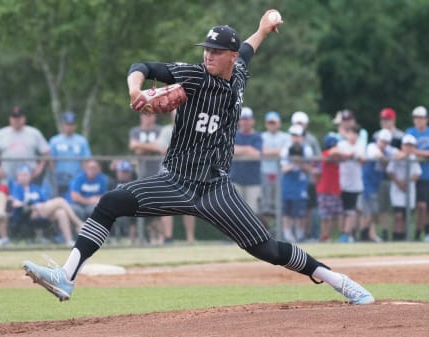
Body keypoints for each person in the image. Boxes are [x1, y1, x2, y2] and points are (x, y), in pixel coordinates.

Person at [23, 11, 374, 305]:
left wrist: (265, 26)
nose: (209, 55)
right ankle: (66, 275)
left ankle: (336, 279)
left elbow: (250, 47)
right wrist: (135, 89)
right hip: (175, 181)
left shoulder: (238, 74)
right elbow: (141, 64)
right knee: (111, 201)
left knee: (267, 248)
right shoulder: (192, 76)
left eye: (217, 51)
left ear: (231, 57)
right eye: (207, 49)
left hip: (216, 189)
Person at [0, 106, 50, 246]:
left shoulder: (33, 133)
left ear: (24, 119)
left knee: (36, 203)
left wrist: (39, 168)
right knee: (0, 198)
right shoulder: (2, 133)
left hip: (29, 181)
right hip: (8, 180)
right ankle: (3, 236)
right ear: (10, 119)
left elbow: (46, 151)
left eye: (19, 117)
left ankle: (38, 236)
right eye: (14, 117)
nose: (16, 120)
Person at [10, 166, 83, 246]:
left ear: (30, 176)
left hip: (42, 211)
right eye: (21, 175)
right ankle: (79, 224)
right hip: (28, 214)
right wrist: (32, 206)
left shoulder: (35, 188)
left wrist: (40, 205)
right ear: (17, 177)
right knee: (60, 201)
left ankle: (68, 240)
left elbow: (45, 201)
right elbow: (15, 203)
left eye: (25, 175)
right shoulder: (16, 188)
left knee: (61, 212)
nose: (23, 177)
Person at [155, 110, 196, 244]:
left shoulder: (192, 130)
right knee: (167, 205)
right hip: (168, 171)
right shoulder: (167, 130)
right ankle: (168, 237)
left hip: (187, 172)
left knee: (189, 206)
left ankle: (190, 238)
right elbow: (162, 148)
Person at [129, 113, 165, 244]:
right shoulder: (135, 131)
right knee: (142, 206)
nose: (148, 118)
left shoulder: (160, 130)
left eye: (151, 115)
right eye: (145, 115)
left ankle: (161, 237)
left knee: (161, 207)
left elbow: (161, 147)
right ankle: (143, 237)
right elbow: (133, 146)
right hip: (141, 175)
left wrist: (142, 146)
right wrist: (153, 146)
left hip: (159, 173)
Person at [359, 129, 398, 242]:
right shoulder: (372, 146)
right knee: (371, 211)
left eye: (386, 142)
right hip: (367, 184)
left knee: (372, 212)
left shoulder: (387, 150)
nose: (384, 144)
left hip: (376, 185)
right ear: (378, 140)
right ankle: (364, 234)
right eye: (382, 141)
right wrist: (387, 157)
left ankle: (366, 234)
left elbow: (399, 154)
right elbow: (378, 155)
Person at [372, 108, 405, 240]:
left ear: (393, 120)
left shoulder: (400, 136)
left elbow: (403, 154)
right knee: (383, 207)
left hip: (397, 178)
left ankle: (399, 235)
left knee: (398, 209)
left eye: (388, 119)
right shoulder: (376, 135)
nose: (385, 122)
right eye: (383, 119)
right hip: (381, 177)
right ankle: (385, 232)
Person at [291, 111, 321, 240]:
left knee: (308, 208)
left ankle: (307, 233)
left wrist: (308, 164)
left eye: (301, 123)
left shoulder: (311, 139)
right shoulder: (290, 138)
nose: (299, 125)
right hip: (292, 179)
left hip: (307, 179)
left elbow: (318, 158)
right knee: (291, 207)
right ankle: (292, 234)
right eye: (297, 123)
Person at [280, 124, 313, 242]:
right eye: (293, 135)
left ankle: (300, 234)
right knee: (287, 212)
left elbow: (310, 168)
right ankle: (288, 234)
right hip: (288, 184)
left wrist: (300, 163)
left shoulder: (307, 150)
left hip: (300, 184)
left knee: (300, 212)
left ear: (302, 137)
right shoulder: (285, 150)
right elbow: (283, 168)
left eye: (297, 136)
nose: (295, 138)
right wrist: (294, 164)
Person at [386, 134, 422, 241]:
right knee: (398, 215)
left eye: (411, 146)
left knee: (407, 216)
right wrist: (399, 183)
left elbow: (417, 173)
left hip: (409, 190)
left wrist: (407, 182)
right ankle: (396, 236)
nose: (409, 148)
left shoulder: (413, 158)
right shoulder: (396, 156)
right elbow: (390, 171)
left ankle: (404, 237)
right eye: (407, 145)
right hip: (397, 190)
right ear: (402, 146)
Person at [49, 111, 92, 197]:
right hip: (59, 179)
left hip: (76, 178)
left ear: (75, 126)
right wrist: (53, 174)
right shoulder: (54, 140)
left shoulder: (82, 141)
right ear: (63, 125)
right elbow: (51, 160)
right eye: (67, 124)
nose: (69, 127)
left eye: (71, 124)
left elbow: (85, 161)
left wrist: (84, 177)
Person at [231, 106, 263, 213]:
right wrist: (248, 148)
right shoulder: (233, 134)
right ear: (239, 120)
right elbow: (231, 150)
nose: (246, 122)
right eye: (243, 119)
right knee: (235, 211)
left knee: (252, 212)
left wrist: (240, 150)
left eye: (248, 119)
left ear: (252, 121)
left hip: (253, 181)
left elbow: (257, 154)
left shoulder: (257, 136)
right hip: (235, 180)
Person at [337, 124, 365, 243]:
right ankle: (343, 233)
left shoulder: (361, 145)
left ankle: (347, 234)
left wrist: (354, 156)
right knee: (342, 211)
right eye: (350, 133)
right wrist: (348, 155)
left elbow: (362, 159)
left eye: (355, 133)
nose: (352, 136)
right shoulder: (342, 145)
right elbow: (337, 154)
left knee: (351, 211)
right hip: (342, 183)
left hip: (355, 184)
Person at [405, 106, 429, 241]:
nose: (418, 120)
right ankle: (416, 233)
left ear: (426, 119)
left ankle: (425, 233)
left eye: (421, 118)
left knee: (426, 207)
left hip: (427, 174)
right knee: (420, 206)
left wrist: (416, 152)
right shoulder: (410, 132)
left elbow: (412, 150)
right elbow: (407, 149)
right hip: (414, 175)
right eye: (416, 118)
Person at [260, 111, 290, 216]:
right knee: (265, 204)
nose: (272, 125)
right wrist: (278, 151)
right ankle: (265, 229)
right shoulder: (261, 136)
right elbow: (262, 151)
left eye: (274, 123)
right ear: (266, 124)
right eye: (270, 123)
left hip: (281, 173)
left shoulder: (286, 136)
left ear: (279, 123)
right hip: (265, 172)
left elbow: (286, 151)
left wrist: (269, 151)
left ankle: (279, 231)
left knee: (279, 202)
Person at [315, 133, 343, 242]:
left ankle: (328, 236)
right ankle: (324, 236)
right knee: (325, 216)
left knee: (333, 216)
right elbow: (328, 155)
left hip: (335, 190)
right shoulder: (326, 153)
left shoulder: (338, 155)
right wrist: (336, 150)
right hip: (324, 190)